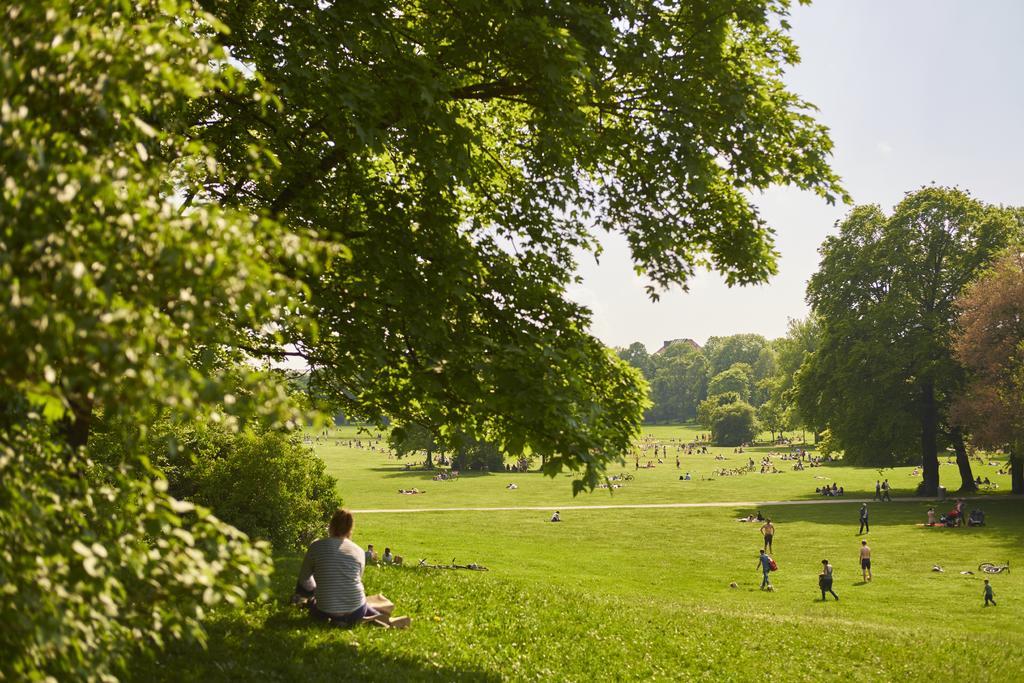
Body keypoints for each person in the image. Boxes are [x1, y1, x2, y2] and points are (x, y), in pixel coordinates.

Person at [293, 508, 382, 626]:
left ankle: (331, 616)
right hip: (356, 612)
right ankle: (375, 617)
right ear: (350, 529)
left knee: (303, 586)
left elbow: (304, 578)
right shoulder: (359, 551)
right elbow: (358, 578)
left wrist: (316, 590)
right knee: (361, 602)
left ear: (331, 525)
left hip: (324, 611)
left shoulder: (316, 546)